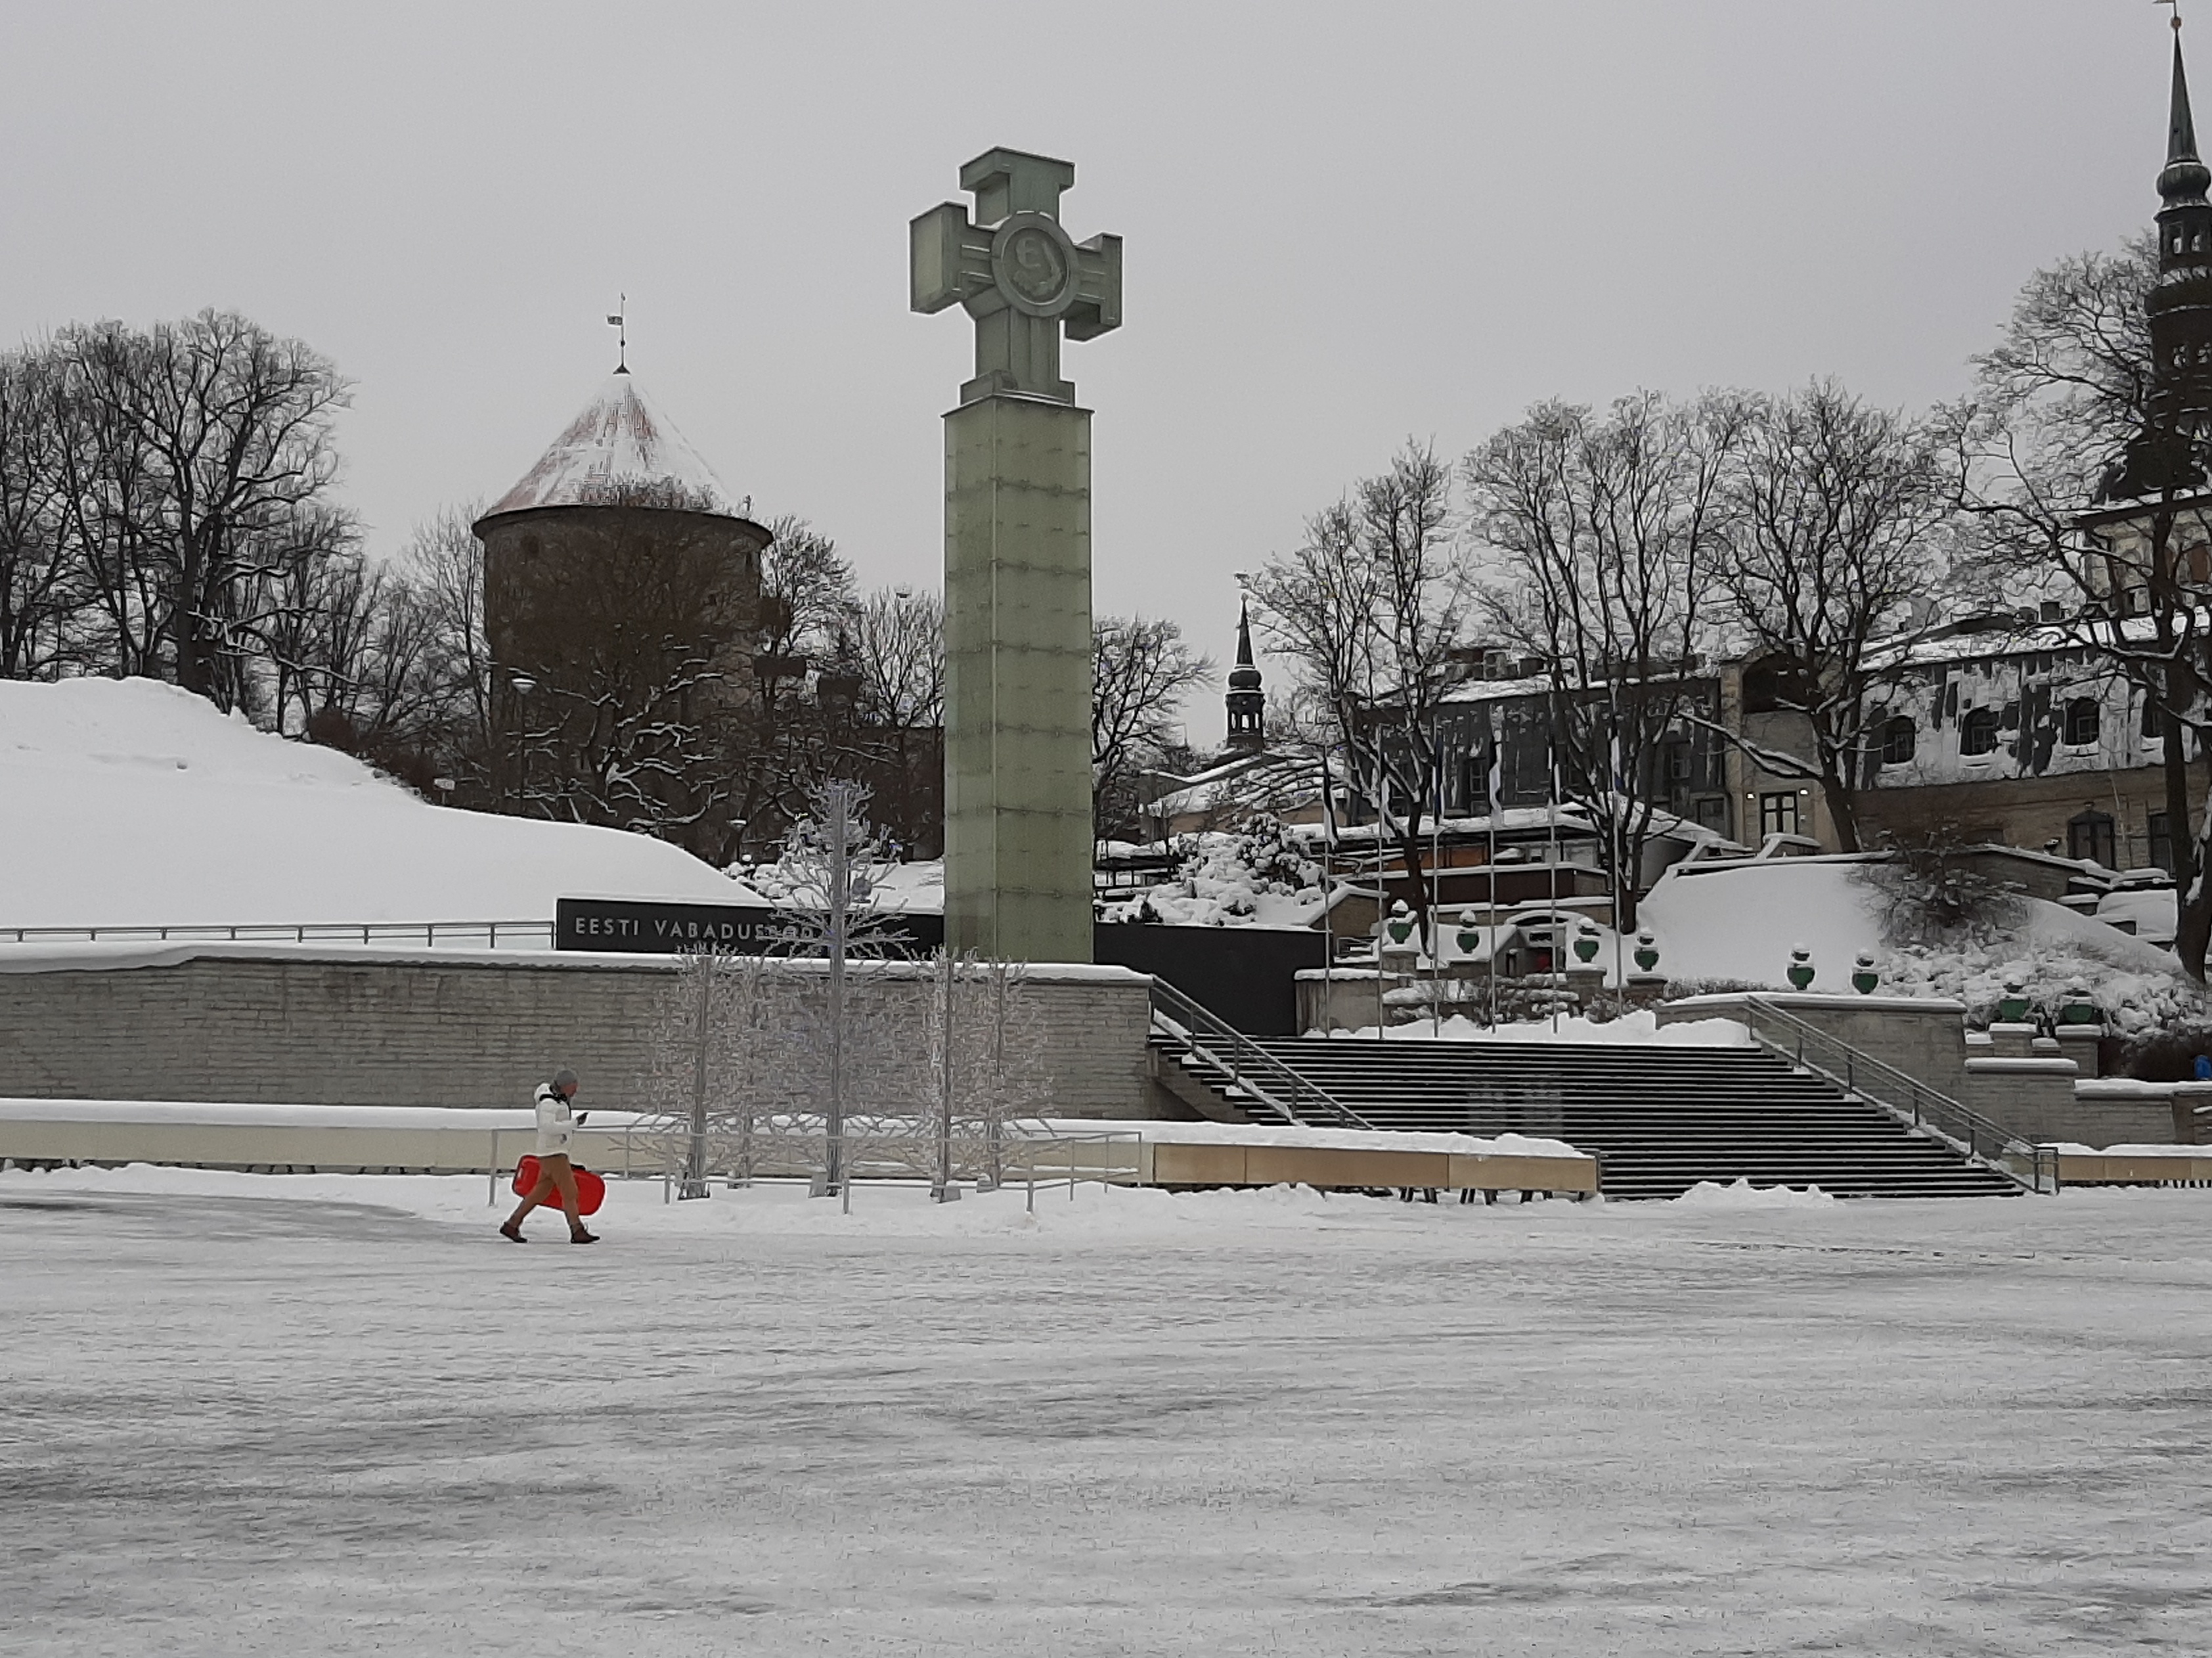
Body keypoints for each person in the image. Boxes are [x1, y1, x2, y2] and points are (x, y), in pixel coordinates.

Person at [500, 1067, 598, 1244]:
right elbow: (547, 1127)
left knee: (539, 1193)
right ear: (565, 1085)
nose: (576, 1090)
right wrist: (574, 1124)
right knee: (570, 1192)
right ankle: (577, 1230)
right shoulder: (549, 1103)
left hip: (552, 1152)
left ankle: (512, 1224)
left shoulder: (557, 1100)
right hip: (553, 1153)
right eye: (574, 1086)